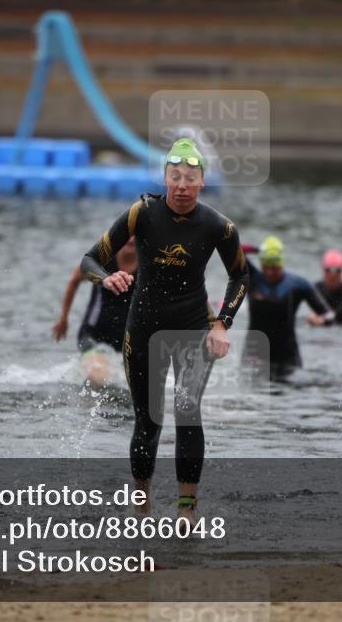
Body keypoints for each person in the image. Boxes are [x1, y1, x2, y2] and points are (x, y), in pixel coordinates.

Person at [79, 138, 248, 521]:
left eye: (191, 178)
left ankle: (187, 507)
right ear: (166, 179)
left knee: (187, 409)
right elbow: (90, 260)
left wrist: (222, 324)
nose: (183, 185)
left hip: (193, 328)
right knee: (148, 418)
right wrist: (105, 279)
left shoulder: (218, 226)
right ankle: (142, 500)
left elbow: (240, 275)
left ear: (202, 181)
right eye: (176, 177)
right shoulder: (142, 214)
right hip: (143, 329)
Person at [242, 236, 334, 378]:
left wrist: (322, 321)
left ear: (282, 264)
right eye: (267, 266)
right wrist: (259, 250)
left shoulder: (298, 285)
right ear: (261, 264)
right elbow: (234, 247)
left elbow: (329, 315)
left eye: (275, 267)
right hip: (254, 355)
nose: (271, 272)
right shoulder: (252, 278)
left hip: (287, 357)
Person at [53, 237, 137, 387]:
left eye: (137, 234)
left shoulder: (150, 263)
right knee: (99, 379)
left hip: (127, 341)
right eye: (128, 234)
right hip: (93, 335)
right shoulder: (104, 258)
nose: (131, 239)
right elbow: (74, 280)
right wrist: (63, 319)